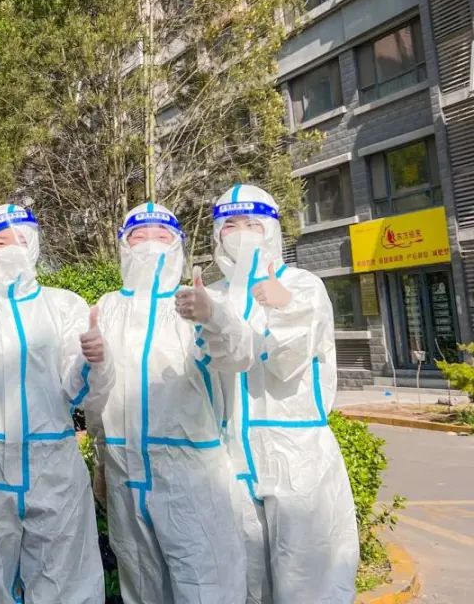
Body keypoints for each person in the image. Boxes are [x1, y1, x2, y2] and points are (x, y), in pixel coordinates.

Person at [175, 184, 359, 604]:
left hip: (296, 455)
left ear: (271, 230)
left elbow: (285, 358)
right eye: (230, 225)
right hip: (230, 458)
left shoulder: (302, 286)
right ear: (217, 235)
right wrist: (210, 315)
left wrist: (283, 305)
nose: (241, 233)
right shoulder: (212, 294)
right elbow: (206, 367)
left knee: (310, 583)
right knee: (243, 584)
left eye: (252, 224)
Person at [0, 204, 108, 604]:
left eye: (20, 240)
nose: (11, 249)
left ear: (34, 245)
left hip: (54, 467)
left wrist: (92, 359)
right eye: (1, 242)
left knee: (66, 587)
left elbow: (77, 388)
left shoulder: (63, 306)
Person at [88, 202, 245, 604]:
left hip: (190, 475)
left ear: (178, 245)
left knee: (204, 586)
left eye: (161, 236)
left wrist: (213, 317)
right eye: (138, 236)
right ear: (123, 246)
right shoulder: (108, 308)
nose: (150, 245)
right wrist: (101, 459)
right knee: (140, 586)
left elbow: (237, 355)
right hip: (125, 475)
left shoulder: (194, 303)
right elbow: (99, 395)